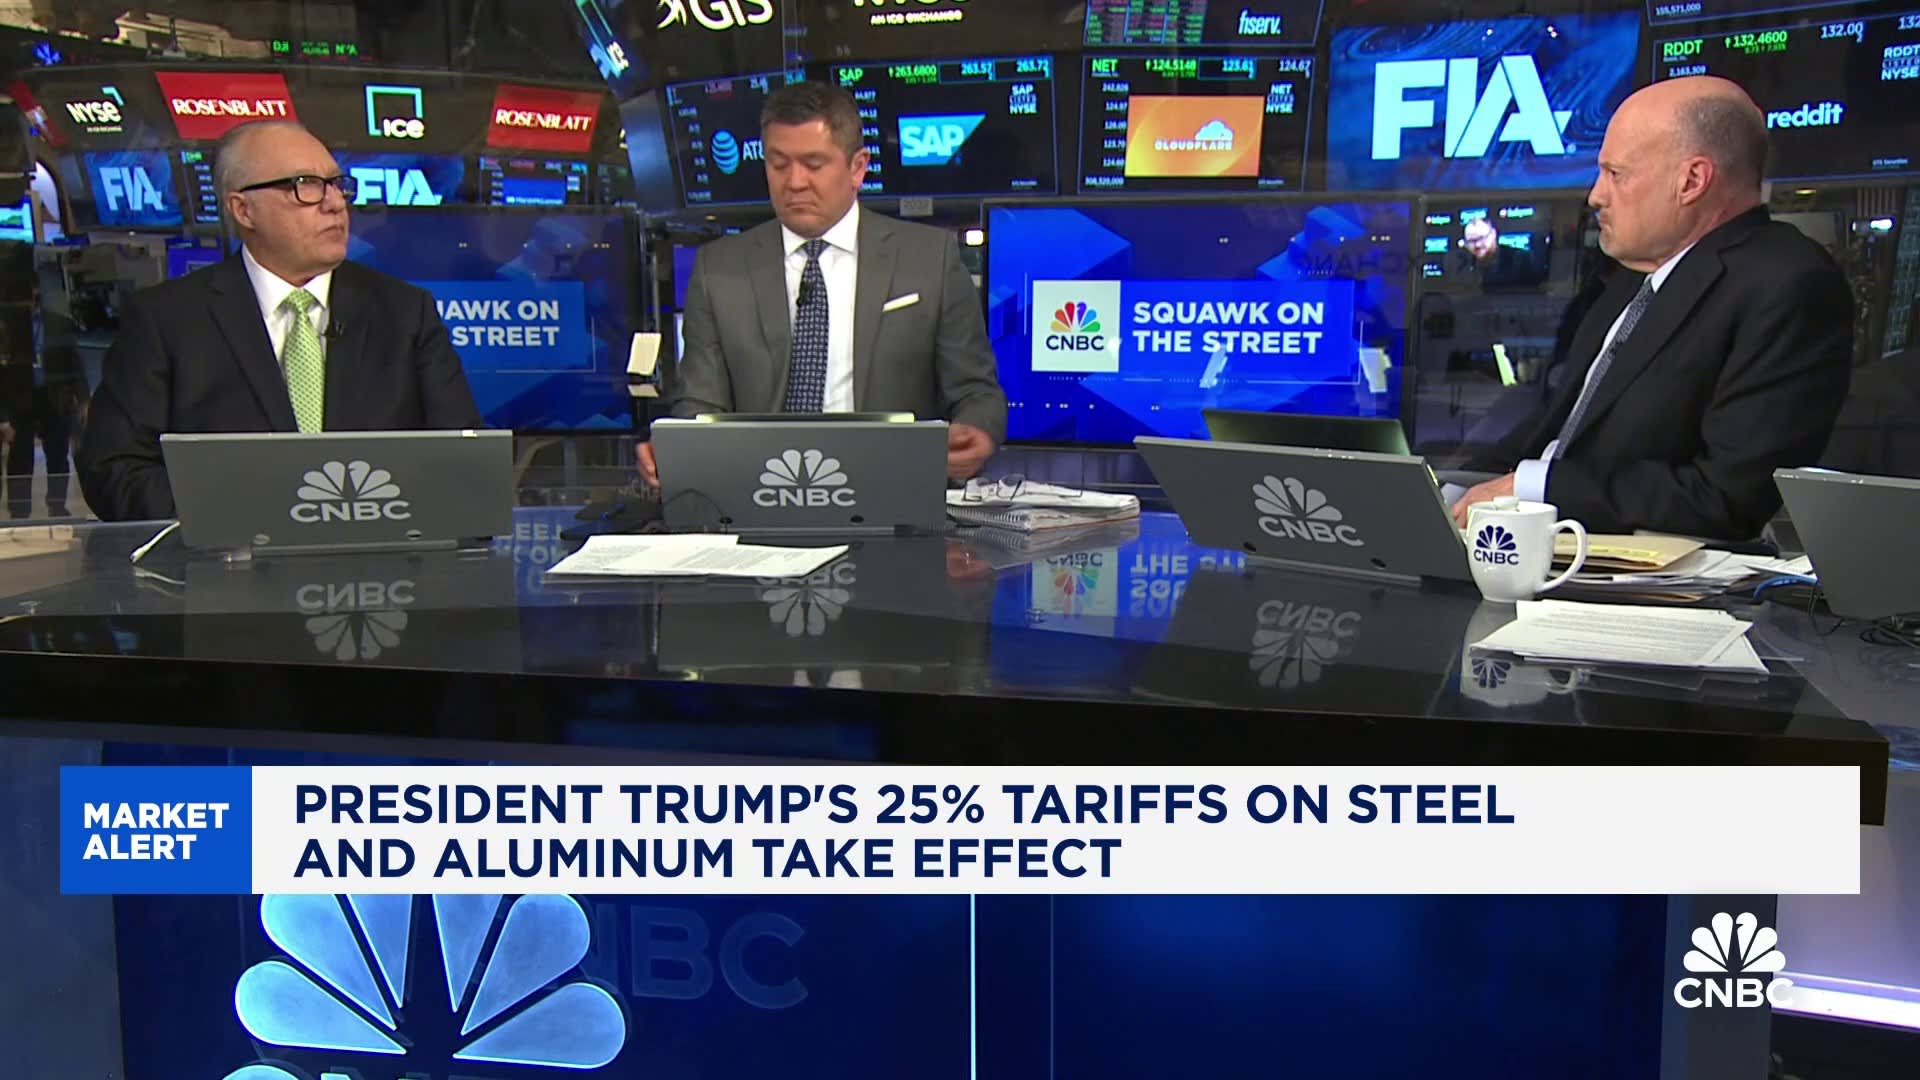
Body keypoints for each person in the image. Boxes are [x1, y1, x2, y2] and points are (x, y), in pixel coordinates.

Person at [1449, 76, 1854, 540]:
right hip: (1526, 545)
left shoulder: (1788, 283)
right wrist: (1456, 489)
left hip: (1638, 567)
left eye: (1615, 173)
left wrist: (1532, 488)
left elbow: (1727, 496)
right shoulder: (1629, 280)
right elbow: (1551, 431)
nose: (1595, 195)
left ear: (1691, 181)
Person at [77, 120, 482, 522]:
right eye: (305, 185)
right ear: (243, 209)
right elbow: (114, 471)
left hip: (380, 557)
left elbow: (464, 464)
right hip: (227, 559)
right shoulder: (166, 320)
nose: (335, 203)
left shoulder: (405, 313)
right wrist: (253, 520)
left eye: (337, 184)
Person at [639, 81, 1006, 486]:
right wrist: (676, 449)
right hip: (758, 493)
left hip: (892, 490)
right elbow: (700, 403)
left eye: (813, 164)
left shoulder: (929, 259)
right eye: (779, 164)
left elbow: (976, 392)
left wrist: (978, 430)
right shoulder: (719, 269)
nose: (795, 182)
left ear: (857, 168)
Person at [1, 282, 85, 518]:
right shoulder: (6, 324)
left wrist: (83, 399)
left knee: (58, 455)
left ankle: (57, 506)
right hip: (20, 400)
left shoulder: (59, 323)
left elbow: (74, 363)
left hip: (54, 398)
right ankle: (19, 512)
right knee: (20, 459)